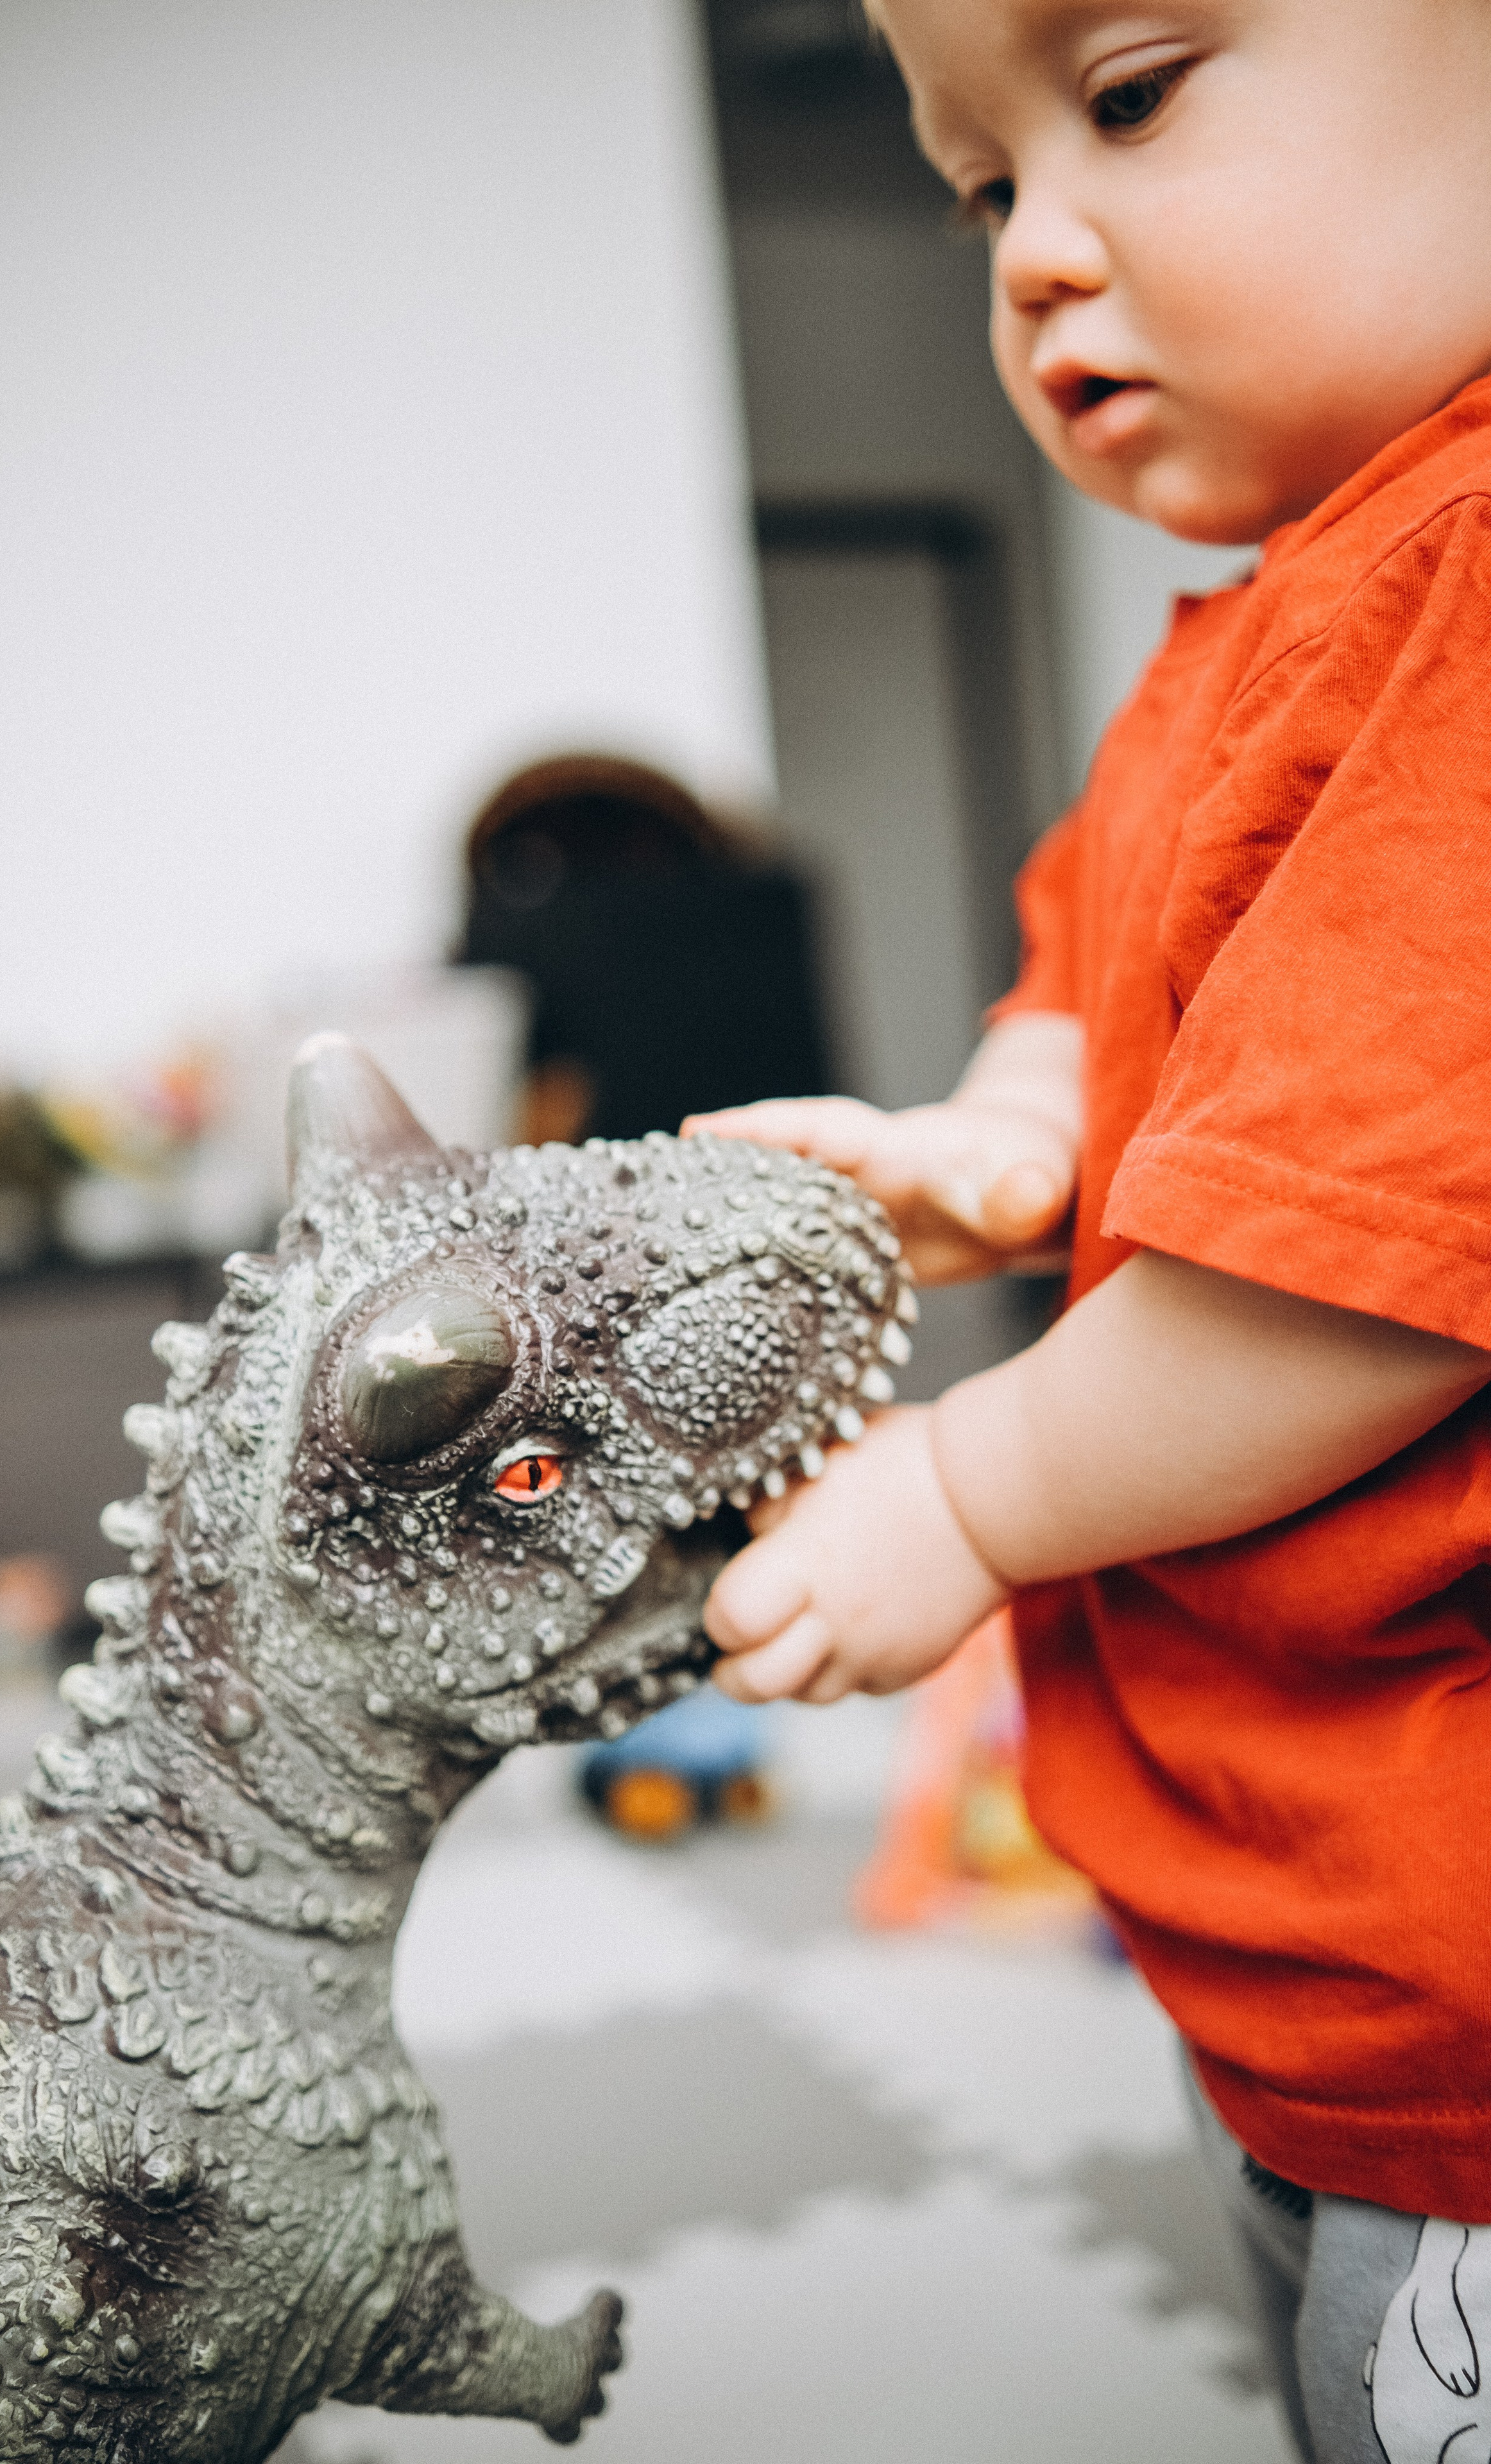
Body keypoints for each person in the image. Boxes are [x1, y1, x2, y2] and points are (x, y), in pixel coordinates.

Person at [684, 5, 1491, 2457]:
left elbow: (1362, 1274)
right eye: (972, 186)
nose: (1035, 250)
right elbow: (1089, 971)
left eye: (1125, 95)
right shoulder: (1249, 645)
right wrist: (1011, 1140)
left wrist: (962, 1486)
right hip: (1297, 1952)